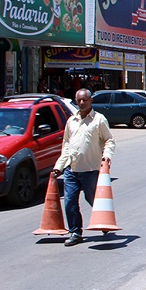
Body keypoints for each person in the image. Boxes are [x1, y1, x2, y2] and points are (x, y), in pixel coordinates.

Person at [52, 89, 115, 247]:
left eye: (84, 100)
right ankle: (75, 232)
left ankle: (103, 220)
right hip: (72, 170)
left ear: (91, 100)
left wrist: (106, 156)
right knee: (70, 202)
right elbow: (67, 145)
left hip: (91, 170)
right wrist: (59, 166)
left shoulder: (99, 120)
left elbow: (109, 141)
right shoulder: (71, 121)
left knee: (93, 199)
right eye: (78, 100)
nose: (81, 103)